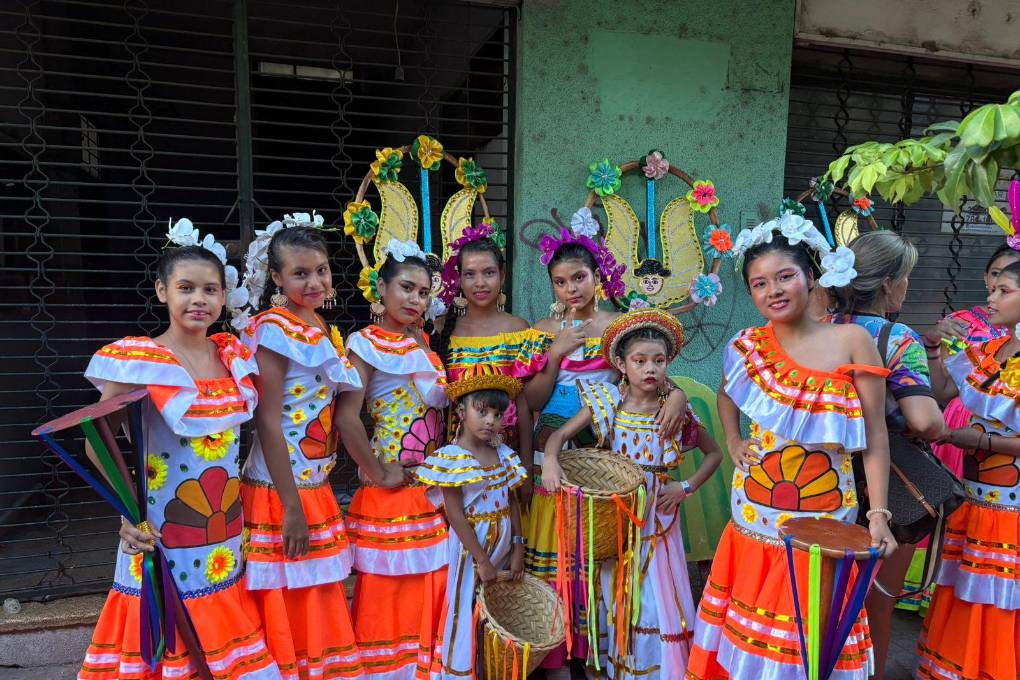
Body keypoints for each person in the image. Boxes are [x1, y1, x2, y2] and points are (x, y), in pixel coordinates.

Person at [686, 213, 897, 680]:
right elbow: (726, 394)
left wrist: (878, 514)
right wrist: (736, 439)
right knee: (750, 636)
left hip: (825, 521)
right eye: (759, 284)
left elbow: (875, 436)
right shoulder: (747, 345)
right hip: (753, 516)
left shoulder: (852, 340)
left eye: (785, 276)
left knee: (810, 637)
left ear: (812, 276)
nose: (773, 291)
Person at [80, 224, 280, 679]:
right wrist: (127, 515)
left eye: (210, 289)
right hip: (160, 533)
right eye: (185, 288)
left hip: (223, 531)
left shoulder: (233, 355)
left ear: (223, 296)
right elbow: (97, 443)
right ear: (161, 290)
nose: (199, 300)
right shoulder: (139, 360)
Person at [512, 209, 687, 679]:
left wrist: (681, 393)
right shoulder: (544, 332)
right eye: (560, 281)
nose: (571, 289)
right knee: (553, 554)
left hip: (604, 458)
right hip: (551, 449)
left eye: (580, 277)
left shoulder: (619, 326)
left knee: (596, 555)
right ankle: (555, 655)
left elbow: (648, 379)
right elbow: (529, 401)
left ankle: (594, 652)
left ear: (597, 276)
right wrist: (554, 357)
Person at [238, 224, 403, 679]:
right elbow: (267, 421)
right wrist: (291, 507)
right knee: (285, 596)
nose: (315, 283)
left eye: (322, 271)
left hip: (313, 484)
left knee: (314, 593)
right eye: (300, 274)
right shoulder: (272, 330)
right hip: (279, 489)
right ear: (276, 278)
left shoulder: (319, 327)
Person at [542, 309, 723, 679]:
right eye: (639, 361)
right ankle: (616, 669)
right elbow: (559, 437)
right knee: (614, 594)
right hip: (616, 518)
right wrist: (549, 461)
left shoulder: (675, 411)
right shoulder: (607, 400)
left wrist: (685, 486)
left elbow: (715, 453)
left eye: (658, 360)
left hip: (658, 517)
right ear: (622, 365)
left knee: (656, 601)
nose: (649, 369)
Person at [830, 230, 947, 676]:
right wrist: (948, 429)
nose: (907, 288)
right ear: (886, 285)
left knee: (821, 600)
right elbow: (923, 421)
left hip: (820, 482)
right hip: (886, 493)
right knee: (876, 606)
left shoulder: (819, 327)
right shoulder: (895, 338)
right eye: (906, 279)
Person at [336, 239, 450, 679]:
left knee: (429, 590)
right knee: (390, 596)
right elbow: (347, 418)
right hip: (392, 491)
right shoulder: (364, 343)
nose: (415, 299)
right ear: (381, 287)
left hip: (431, 489)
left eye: (423, 292)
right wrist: (378, 470)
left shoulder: (424, 342)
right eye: (406, 287)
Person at [917, 259, 1020, 680]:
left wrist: (978, 441)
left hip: (1013, 515)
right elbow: (943, 392)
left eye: (1004, 290)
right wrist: (934, 347)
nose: (991, 297)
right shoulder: (993, 351)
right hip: (976, 504)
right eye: (992, 287)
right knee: (967, 593)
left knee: (1001, 601)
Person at [416, 364, 527, 679]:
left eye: (497, 414)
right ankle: (461, 670)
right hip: (470, 551)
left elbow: (512, 501)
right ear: (461, 412)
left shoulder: (503, 453)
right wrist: (481, 560)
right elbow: (455, 516)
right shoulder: (452, 457)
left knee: (495, 612)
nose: (491, 421)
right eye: (483, 412)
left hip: (503, 544)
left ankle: (492, 669)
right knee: (466, 607)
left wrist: (518, 546)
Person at [433, 224, 533, 500]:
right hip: (456, 460)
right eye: (470, 274)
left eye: (488, 273)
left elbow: (523, 406)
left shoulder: (518, 329)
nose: (480, 283)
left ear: (502, 275)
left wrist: (526, 470)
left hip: (506, 457)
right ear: (459, 280)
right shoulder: (445, 330)